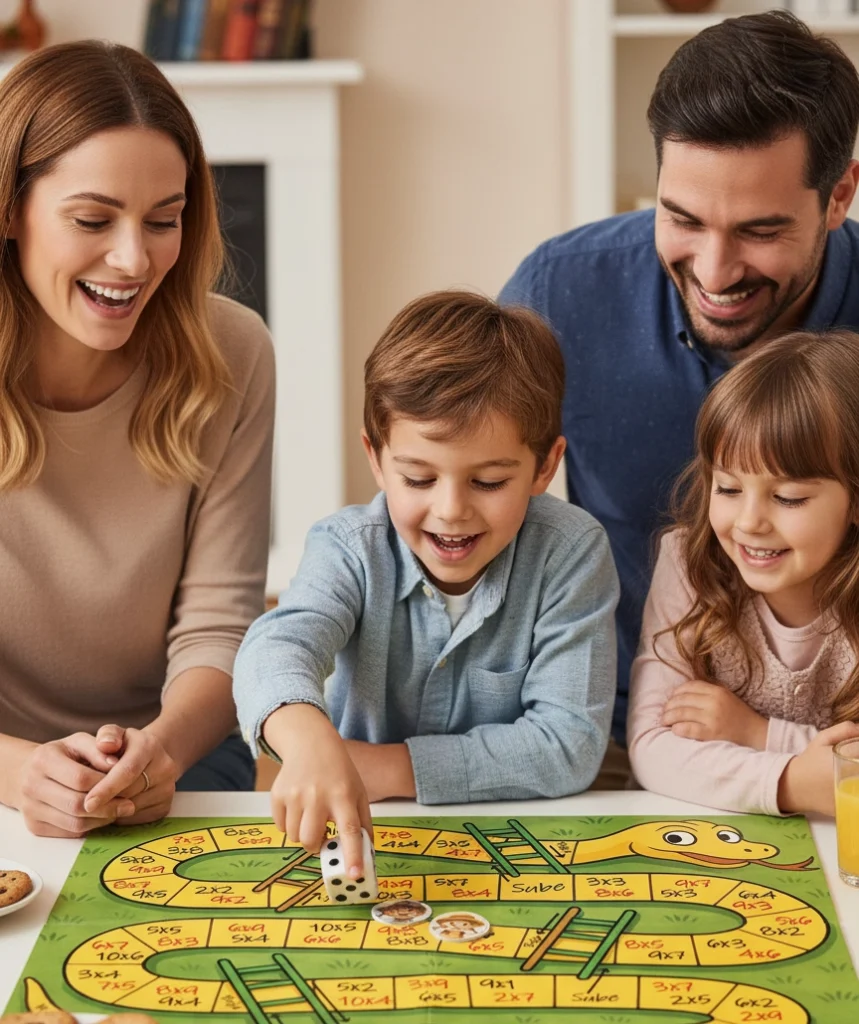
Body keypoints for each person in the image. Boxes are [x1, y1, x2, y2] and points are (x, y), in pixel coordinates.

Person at [499, 10, 859, 784]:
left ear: (838, 196)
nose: (714, 271)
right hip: (616, 735)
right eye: (681, 219)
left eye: (759, 230)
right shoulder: (560, 292)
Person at [233, 291, 619, 875]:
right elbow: (274, 649)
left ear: (545, 466)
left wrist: (382, 767)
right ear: (376, 458)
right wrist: (309, 741)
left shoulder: (570, 551)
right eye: (417, 479)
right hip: (373, 838)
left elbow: (568, 745)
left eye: (489, 482)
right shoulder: (348, 548)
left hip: (523, 841)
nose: (451, 510)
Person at [0, 41, 275, 837]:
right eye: (92, 219)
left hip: (177, 753)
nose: (133, 260)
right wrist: (20, 772)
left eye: (164, 220)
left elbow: (221, 624)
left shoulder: (235, 352)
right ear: (10, 209)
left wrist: (157, 754)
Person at [628, 331, 859, 816]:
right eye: (729, 489)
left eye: (788, 497)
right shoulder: (688, 563)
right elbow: (651, 748)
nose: (749, 522)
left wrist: (760, 734)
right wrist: (793, 781)